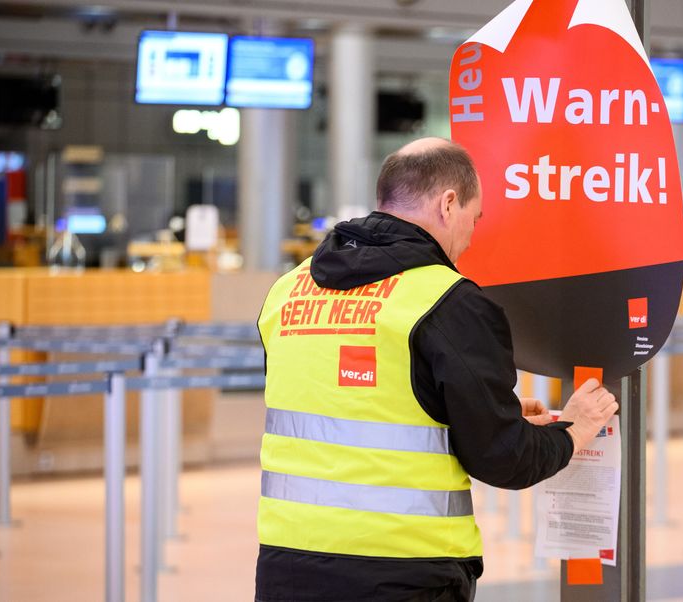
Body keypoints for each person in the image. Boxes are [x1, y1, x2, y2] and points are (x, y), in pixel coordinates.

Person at [254, 137, 619, 601]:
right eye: (475, 215)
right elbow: (504, 459)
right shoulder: (450, 302)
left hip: (287, 567)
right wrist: (576, 429)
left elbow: (347, 405)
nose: (472, 232)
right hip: (404, 573)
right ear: (448, 204)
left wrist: (482, 413)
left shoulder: (288, 291)